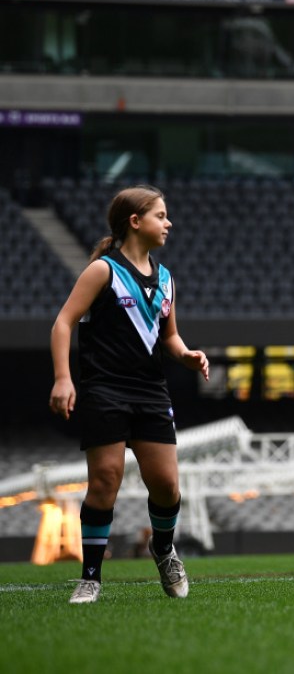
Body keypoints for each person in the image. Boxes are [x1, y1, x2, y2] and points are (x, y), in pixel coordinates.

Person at [49, 185, 209, 604]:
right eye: (160, 215)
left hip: (151, 391)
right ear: (135, 222)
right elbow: (63, 323)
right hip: (105, 389)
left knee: (167, 486)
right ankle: (90, 578)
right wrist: (63, 379)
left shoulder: (168, 279)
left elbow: (170, 338)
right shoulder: (102, 270)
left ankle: (163, 548)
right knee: (105, 482)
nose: (168, 222)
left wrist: (187, 355)